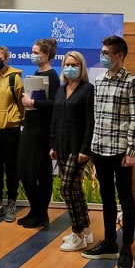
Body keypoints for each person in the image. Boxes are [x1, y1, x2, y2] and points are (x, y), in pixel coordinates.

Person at [81, 35, 135, 268]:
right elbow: (96, 117)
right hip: (100, 148)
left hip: (121, 151)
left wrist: (132, 151)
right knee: (106, 197)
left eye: (106, 53)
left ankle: (126, 247)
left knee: (125, 198)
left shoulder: (132, 82)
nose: (102, 56)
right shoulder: (99, 80)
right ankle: (109, 242)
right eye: (102, 52)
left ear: (119, 55)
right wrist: (91, 146)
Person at [50, 51, 94, 251]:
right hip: (61, 147)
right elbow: (55, 119)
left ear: (81, 67)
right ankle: (86, 230)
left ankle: (77, 234)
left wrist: (85, 149)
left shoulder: (88, 90)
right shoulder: (61, 90)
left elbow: (90, 121)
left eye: (74, 64)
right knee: (75, 190)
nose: (70, 68)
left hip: (78, 149)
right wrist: (53, 145)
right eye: (67, 64)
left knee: (66, 188)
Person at [17, 38, 60, 228]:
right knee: (26, 173)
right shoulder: (37, 73)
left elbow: (55, 105)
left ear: (46, 55)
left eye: (36, 53)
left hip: (42, 132)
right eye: (32, 52)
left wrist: (33, 102)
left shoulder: (52, 76)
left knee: (41, 174)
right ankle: (35, 210)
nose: (32, 55)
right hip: (30, 127)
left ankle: (41, 213)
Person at [0, 46, 24, 223]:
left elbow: (22, 103)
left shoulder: (15, 78)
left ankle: (11, 203)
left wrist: (17, 120)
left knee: (11, 168)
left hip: (10, 130)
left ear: (6, 59)